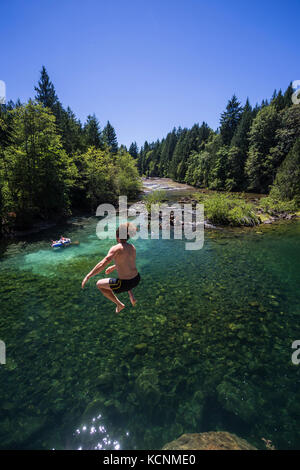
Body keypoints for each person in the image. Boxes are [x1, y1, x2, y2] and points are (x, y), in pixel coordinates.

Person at [81, 223, 140, 313]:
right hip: (136, 279)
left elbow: (102, 264)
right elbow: (129, 264)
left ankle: (119, 304)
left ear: (117, 236)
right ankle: (131, 295)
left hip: (125, 284)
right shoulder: (132, 247)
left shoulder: (116, 248)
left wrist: (88, 276)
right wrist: (114, 266)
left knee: (99, 284)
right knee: (125, 276)